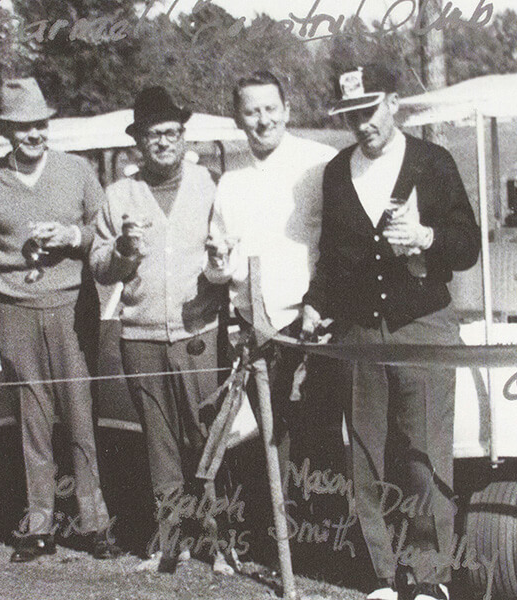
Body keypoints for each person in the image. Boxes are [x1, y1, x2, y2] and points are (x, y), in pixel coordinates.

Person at [301, 64, 480, 600]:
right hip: (359, 332)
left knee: (424, 453)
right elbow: (332, 258)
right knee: (364, 454)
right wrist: (315, 305)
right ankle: (380, 575)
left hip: (423, 325)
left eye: (369, 111)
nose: (361, 125)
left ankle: (430, 579)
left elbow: (467, 243)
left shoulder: (432, 162)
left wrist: (427, 236)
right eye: (351, 116)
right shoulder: (336, 173)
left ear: (395, 103)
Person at [0, 78, 119, 563]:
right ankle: (38, 523)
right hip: (13, 310)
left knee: (79, 415)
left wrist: (73, 234)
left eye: (40, 124)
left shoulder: (78, 171)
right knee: (31, 419)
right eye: (23, 126)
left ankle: (95, 521)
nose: (33, 134)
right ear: (7, 131)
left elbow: (106, 232)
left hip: (72, 306)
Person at [90, 86, 230, 575]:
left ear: (183, 137)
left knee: (205, 439)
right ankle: (169, 543)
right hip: (141, 336)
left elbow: (226, 254)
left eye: (172, 133)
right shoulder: (118, 194)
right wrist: (125, 248)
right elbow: (100, 266)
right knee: (159, 442)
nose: (164, 142)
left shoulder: (210, 185)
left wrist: (219, 265)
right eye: (154, 135)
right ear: (139, 143)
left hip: (199, 331)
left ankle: (214, 542)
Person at [203, 70, 338, 475]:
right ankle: (280, 535)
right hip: (255, 334)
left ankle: (326, 535)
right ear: (238, 118)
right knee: (269, 448)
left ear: (287, 110)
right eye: (252, 112)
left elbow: (341, 248)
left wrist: (322, 308)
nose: (263, 120)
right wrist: (217, 261)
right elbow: (218, 272)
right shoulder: (231, 182)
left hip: (313, 327)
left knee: (321, 444)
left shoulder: (320, 163)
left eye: (271, 109)